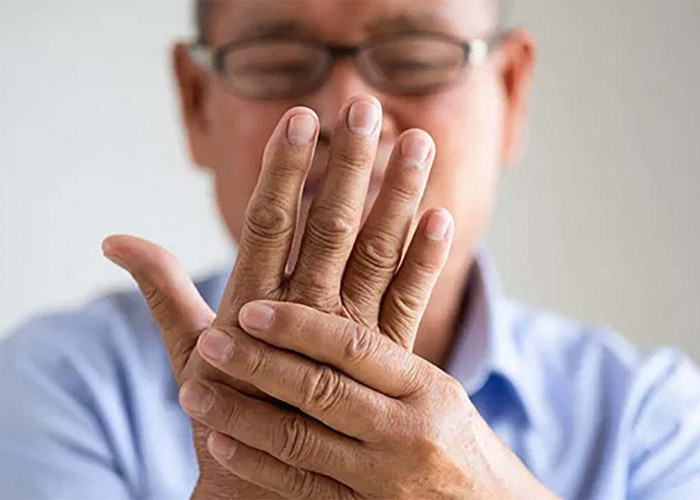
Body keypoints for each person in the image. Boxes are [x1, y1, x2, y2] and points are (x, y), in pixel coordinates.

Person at [1, 0, 699, 498]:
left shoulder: (649, 418)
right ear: (194, 103)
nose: (348, 111)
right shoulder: (64, 384)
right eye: (276, 62)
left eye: (415, 59)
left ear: (511, 92)